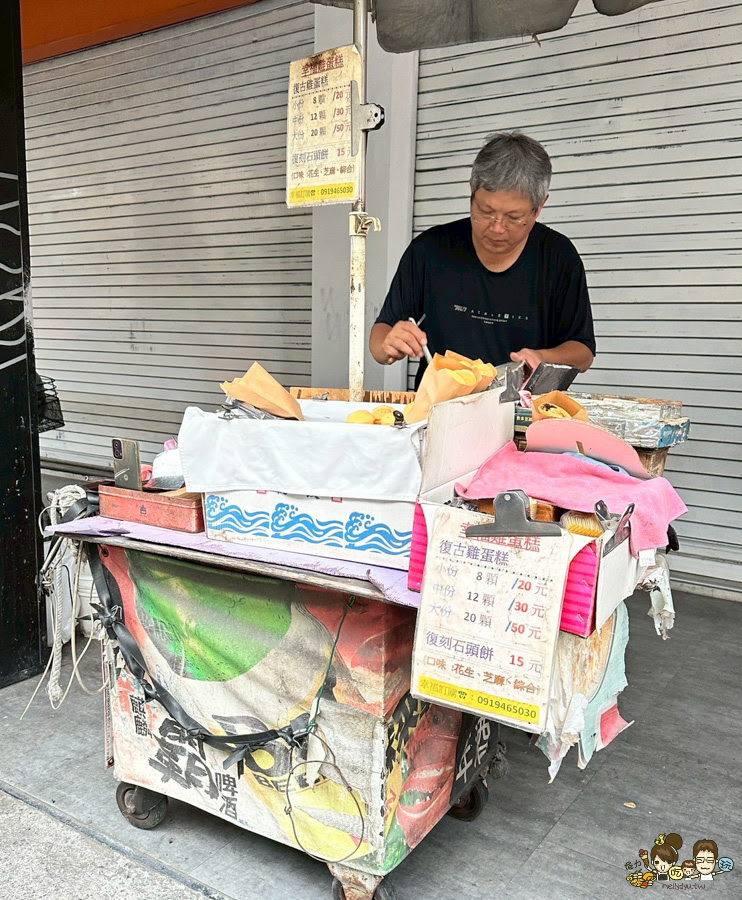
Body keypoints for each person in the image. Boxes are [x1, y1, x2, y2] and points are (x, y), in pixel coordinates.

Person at [370, 132, 596, 388]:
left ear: (539, 207)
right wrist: (390, 343)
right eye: (485, 212)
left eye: (513, 217)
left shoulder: (559, 258)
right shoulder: (430, 250)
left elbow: (583, 352)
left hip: (521, 412)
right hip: (440, 410)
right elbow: (379, 339)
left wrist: (542, 358)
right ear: (471, 191)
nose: (497, 228)